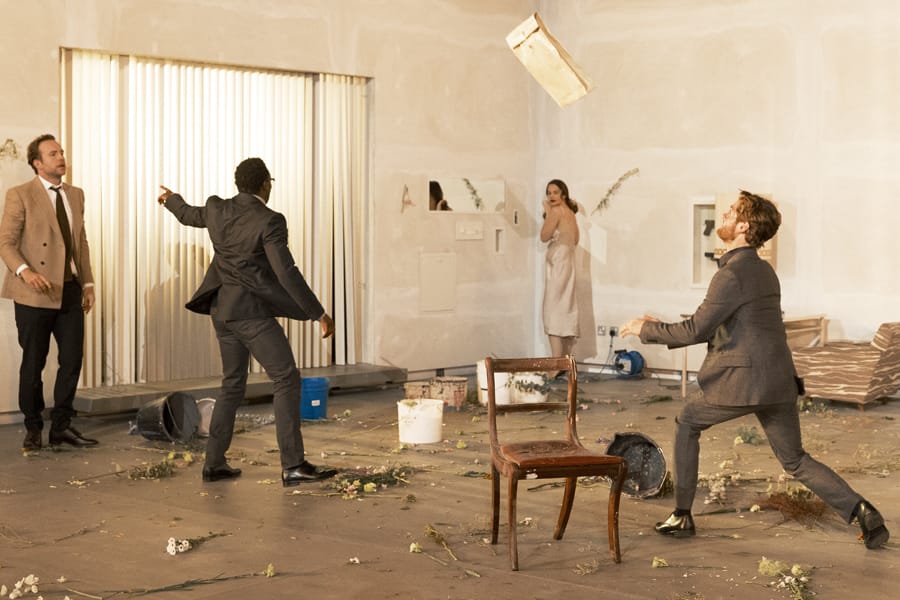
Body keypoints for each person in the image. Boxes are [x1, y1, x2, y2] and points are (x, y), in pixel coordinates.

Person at [619, 190, 889, 549]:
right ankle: (863, 511)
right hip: (778, 382)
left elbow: (695, 330)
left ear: (744, 226)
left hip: (743, 383)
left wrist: (645, 329)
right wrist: (658, 324)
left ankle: (682, 515)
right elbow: (732, 327)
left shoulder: (731, 274)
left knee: (687, 422)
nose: (724, 216)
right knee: (795, 460)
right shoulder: (764, 271)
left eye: (731, 212)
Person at [158, 157, 337, 487]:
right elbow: (286, 272)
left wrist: (171, 199)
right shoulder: (270, 220)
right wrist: (318, 313)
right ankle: (293, 465)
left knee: (232, 384)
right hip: (251, 314)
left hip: (222, 311)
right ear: (265, 184)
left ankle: (214, 463)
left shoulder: (217, 209)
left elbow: (188, 215)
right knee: (286, 378)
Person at [0, 134, 97, 451]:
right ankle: (33, 427)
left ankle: (62, 426)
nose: (61, 157)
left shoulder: (75, 194)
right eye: (53, 153)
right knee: (33, 362)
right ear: (37, 163)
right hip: (34, 292)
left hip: (69, 289)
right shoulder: (20, 194)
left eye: (61, 152)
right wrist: (25, 272)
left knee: (72, 360)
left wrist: (88, 283)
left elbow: (80, 241)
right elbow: (5, 242)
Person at [541, 179, 579, 360]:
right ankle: (565, 360)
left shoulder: (556, 212)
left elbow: (544, 236)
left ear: (563, 194)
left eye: (555, 192)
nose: (551, 196)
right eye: (548, 193)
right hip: (567, 265)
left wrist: (548, 211)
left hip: (558, 265)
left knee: (553, 311)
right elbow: (576, 239)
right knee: (565, 309)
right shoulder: (570, 213)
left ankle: (556, 364)